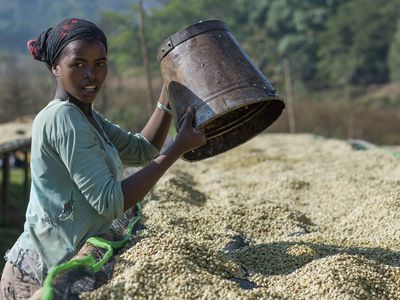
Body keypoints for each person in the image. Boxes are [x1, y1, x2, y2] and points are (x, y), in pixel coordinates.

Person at [0, 18, 206, 299]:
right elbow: (110, 202)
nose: (91, 74)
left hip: (69, 262)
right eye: (78, 64)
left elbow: (142, 149)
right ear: (55, 68)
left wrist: (167, 96)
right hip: (39, 278)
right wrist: (176, 149)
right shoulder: (63, 118)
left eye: (100, 63)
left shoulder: (87, 116)